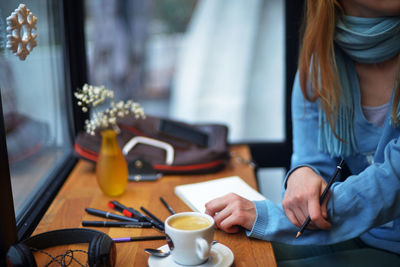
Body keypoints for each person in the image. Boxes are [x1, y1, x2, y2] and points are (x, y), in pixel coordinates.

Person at [205, 0, 400, 266]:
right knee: (226, 254)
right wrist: (303, 174)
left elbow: (392, 181)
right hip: (354, 231)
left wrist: (268, 217)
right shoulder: (320, 65)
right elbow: (315, 164)